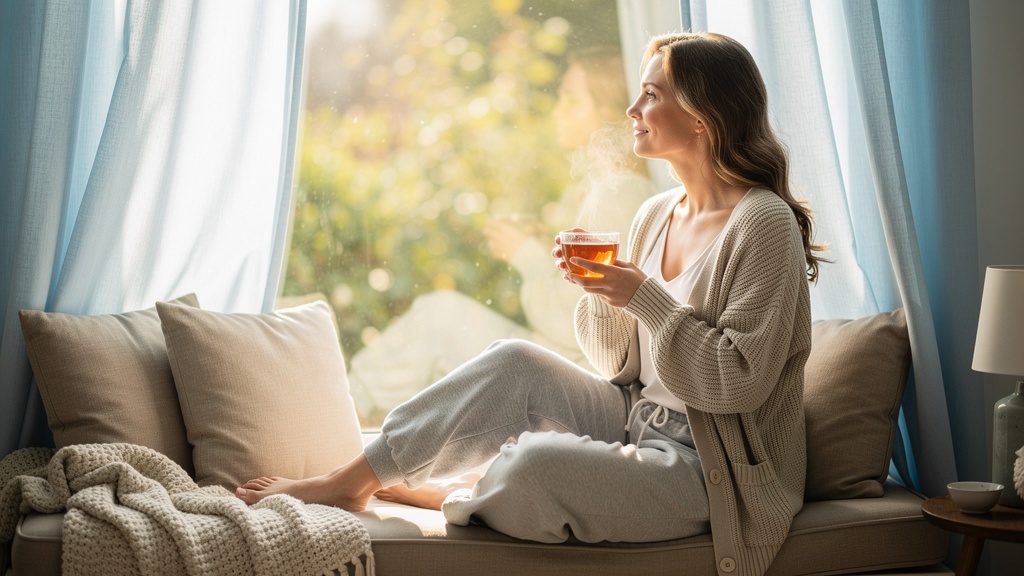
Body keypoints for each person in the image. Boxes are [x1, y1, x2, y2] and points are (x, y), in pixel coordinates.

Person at [237, 31, 825, 575]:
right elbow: (618, 368)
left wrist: (641, 296)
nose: (632, 111)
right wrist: (598, 290)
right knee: (511, 360)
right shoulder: (656, 214)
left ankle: (452, 490)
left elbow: (736, 383)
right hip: (636, 418)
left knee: (536, 466)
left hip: (709, 467)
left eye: (650, 95)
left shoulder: (762, 224)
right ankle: (352, 478)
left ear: (702, 116)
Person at [345, 46, 656, 426]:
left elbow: (577, 323)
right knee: (440, 324)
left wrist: (526, 254)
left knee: (439, 315)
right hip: (571, 368)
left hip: (581, 380)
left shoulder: (617, 193)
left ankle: (343, 414)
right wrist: (547, 247)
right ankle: (365, 423)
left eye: (571, 99)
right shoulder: (607, 191)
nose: (557, 109)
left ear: (609, 113)